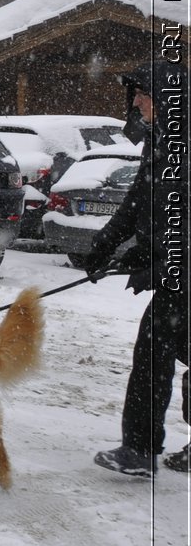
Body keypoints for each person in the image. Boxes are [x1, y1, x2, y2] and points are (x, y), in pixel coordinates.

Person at [86, 59, 188, 476]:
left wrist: (164, 265)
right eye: (138, 95)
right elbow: (140, 203)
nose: (139, 102)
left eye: (145, 95)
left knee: (152, 354)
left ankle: (141, 450)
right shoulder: (160, 141)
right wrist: (107, 245)